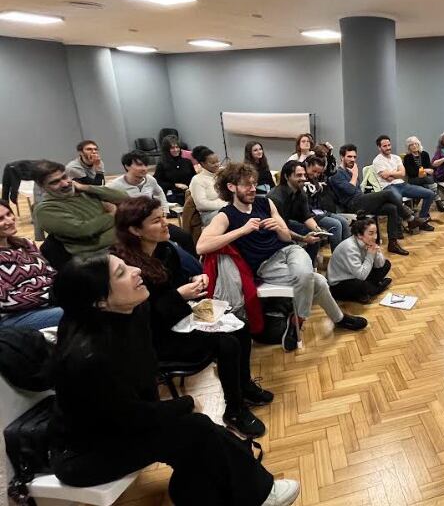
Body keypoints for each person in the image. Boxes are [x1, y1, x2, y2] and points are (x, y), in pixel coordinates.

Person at [48, 254, 301, 506]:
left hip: (121, 425)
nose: (136, 269)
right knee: (196, 429)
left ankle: (206, 494)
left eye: (127, 265)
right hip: (88, 452)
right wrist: (185, 404)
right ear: (100, 302)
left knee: (197, 436)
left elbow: (143, 384)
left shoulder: (134, 310)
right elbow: (129, 417)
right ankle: (261, 495)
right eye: (121, 273)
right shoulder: (89, 357)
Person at [112, 197, 271, 437]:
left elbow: (176, 287)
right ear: (135, 230)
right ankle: (234, 410)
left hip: (178, 316)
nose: (166, 223)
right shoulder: (125, 267)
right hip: (154, 336)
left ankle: (244, 386)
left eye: (164, 216)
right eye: (157, 220)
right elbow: (142, 317)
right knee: (226, 343)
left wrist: (194, 282)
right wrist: (179, 295)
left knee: (241, 327)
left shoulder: (165, 249)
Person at [195, 163, 367, 352]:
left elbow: (285, 237)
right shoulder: (226, 215)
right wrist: (241, 231)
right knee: (316, 280)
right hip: (265, 264)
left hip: (289, 251)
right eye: (247, 185)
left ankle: (297, 321)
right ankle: (336, 319)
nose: (253, 189)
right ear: (231, 187)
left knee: (305, 273)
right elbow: (201, 246)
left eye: (254, 184)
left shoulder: (265, 203)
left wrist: (279, 228)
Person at [328, 144, 426, 256]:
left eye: (354, 157)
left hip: (362, 201)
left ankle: (393, 243)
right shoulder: (337, 175)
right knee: (388, 193)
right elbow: (350, 191)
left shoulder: (350, 171)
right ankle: (410, 218)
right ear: (342, 157)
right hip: (353, 205)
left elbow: (358, 190)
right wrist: (355, 175)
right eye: (349, 157)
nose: (353, 160)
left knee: (392, 208)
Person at [32, 160, 127, 263]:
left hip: (122, 245)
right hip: (96, 257)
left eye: (64, 177)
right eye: (55, 182)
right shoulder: (45, 209)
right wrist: (113, 214)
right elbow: (84, 230)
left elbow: (125, 198)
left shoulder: (83, 191)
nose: (64, 184)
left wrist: (86, 187)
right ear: (42, 187)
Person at [108, 150, 198, 257]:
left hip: (154, 222)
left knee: (184, 237)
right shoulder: (115, 186)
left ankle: (193, 265)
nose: (144, 168)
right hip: (133, 227)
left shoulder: (150, 180)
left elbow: (159, 192)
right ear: (127, 166)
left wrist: (164, 210)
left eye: (145, 165)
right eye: (139, 165)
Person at [0, 199, 63, 330]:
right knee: (78, 313)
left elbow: (51, 273)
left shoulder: (25, 244)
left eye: (9, 214)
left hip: (49, 302)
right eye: (1, 219)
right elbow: (6, 301)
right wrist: (49, 295)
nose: (10, 221)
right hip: (15, 316)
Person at [267, 161, 323, 262]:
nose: (304, 178)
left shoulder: (300, 192)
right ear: (287, 176)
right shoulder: (275, 197)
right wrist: (303, 238)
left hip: (287, 223)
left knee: (315, 236)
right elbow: (281, 229)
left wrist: (318, 230)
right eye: (299, 175)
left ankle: (310, 266)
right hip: (274, 231)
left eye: (304, 175)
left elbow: (306, 216)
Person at [372, 135, 436, 225]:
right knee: (397, 200)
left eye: (389, 145)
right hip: (388, 187)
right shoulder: (377, 161)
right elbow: (386, 177)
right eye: (385, 146)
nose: (388, 148)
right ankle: (405, 223)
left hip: (403, 184)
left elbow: (402, 174)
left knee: (430, 194)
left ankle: (422, 219)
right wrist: (396, 173)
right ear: (379, 147)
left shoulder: (396, 158)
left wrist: (391, 173)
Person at [328, 217, 392, 303]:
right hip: (340, 284)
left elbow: (379, 265)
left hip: (356, 274)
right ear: (359, 235)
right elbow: (361, 276)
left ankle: (367, 292)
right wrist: (370, 255)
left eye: (376, 233)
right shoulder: (350, 247)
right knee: (362, 285)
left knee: (386, 264)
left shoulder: (367, 241)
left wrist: (376, 252)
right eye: (371, 233)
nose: (375, 237)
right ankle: (376, 289)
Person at [303, 156, 351, 249]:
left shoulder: (315, 180)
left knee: (344, 222)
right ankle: (336, 259)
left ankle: (347, 254)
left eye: (319, 172)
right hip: (310, 215)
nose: (316, 175)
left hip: (320, 211)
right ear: (307, 166)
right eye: (314, 171)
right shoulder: (302, 179)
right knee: (336, 225)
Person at [403, 136, 444, 212]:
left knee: (426, 183)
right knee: (427, 179)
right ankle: (438, 199)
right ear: (409, 147)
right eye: (412, 145)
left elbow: (430, 168)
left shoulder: (425, 154)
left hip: (426, 180)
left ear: (419, 144)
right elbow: (411, 173)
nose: (414, 146)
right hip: (413, 179)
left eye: (416, 144)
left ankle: (431, 204)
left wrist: (427, 171)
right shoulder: (407, 157)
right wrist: (424, 170)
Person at [188, 146, 228, 226]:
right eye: (213, 163)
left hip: (226, 208)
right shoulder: (198, 180)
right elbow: (201, 205)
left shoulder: (222, 174)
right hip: (209, 214)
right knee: (233, 214)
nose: (217, 165)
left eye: (218, 161)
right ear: (203, 164)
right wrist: (225, 204)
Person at [155, 135, 195, 205]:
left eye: (177, 147)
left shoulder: (187, 162)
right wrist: (174, 185)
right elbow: (158, 182)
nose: (176, 150)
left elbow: (194, 178)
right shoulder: (162, 164)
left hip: (189, 193)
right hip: (172, 195)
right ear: (167, 150)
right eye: (172, 148)